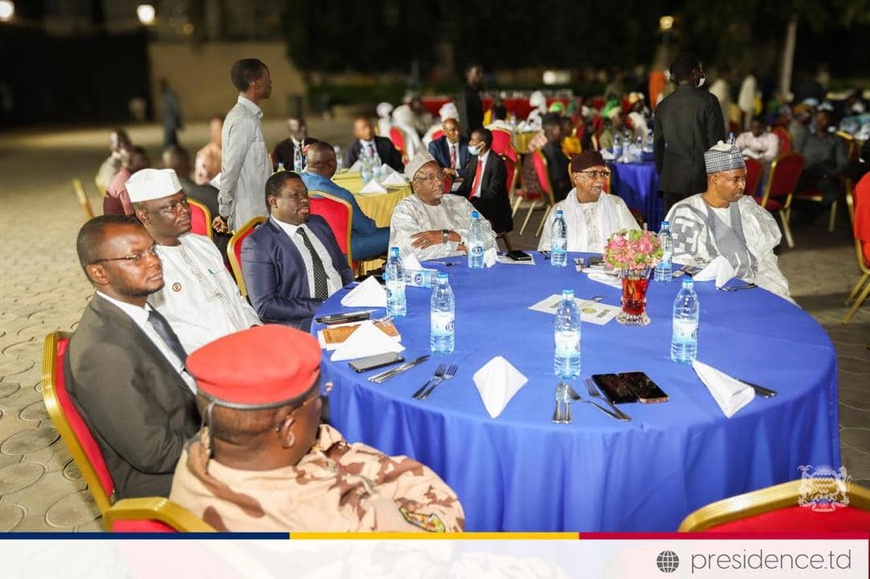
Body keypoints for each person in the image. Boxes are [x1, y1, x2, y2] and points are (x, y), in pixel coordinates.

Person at [170, 324, 466, 532]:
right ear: (287, 429)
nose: (322, 401)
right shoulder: (334, 520)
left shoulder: (201, 449)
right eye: (317, 396)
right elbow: (442, 521)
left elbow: (320, 446)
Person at [65, 215, 199, 499]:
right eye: (135, 257)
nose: (153, 261)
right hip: (168, 482)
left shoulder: (138, 309)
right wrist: (232, 445)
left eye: (152, 250)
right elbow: (154, 453)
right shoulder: (102, 353)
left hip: (191, 432)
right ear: (99, 274)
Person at [127, 168, 260, 352]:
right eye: (171, 206)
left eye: (183, 201)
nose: (184, 210)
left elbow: (236, 298)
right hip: (204, 363)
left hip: (249, 344)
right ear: (144, 215)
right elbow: (159, 338)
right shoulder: (144, 268)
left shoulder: (204, 245)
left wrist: (254, 327)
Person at [666, 142, 791, 300]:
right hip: (708, 293)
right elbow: (678, 266)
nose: (742, 185)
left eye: (744, 178)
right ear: (714, 180)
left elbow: (765, 257)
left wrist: (772, 288)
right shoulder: (686, 213)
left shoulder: (747, 208)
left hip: (752, 285)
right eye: (735, 179)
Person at [241, 172, 354, 330]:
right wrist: (323, 305)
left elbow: (342, 268)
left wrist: (352, 296)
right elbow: (265, 305)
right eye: (295, 195)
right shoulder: (258, 244)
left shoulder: (318, 224)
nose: (305, 200)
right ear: (274, 202)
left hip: (345, 308)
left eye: (305, 193)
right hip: (306, 322)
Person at [389, 151, 495, 260]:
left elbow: (489, 236)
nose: (439, 182)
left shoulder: (460, 202)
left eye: (440, 175)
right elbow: (411, 250)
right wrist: (459, 247)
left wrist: (447, 235)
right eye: (431, 178)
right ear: (416, 185)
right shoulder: (405, 209)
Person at [654, 53, 726, 213]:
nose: (702, 74)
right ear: (694, 73)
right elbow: (718, 144)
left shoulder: (663, 106)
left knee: (673, 230)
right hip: (699, 181)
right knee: (700, 232)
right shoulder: (709, 101)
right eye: (700, 70)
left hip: (671, 180)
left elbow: (657, 148)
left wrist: (665, 172)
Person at [300, 141, 390, 260]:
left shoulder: (295, 184)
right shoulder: (342, 196)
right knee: (397, 233)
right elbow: (367, 229)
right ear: (332, 164)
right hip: (339, 251)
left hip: (305, 249)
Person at [213, 58, 273, 234]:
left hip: (256, 213)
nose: (270, 82)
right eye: (267, 77)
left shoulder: (248, 116)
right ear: (254, 83)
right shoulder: (243, 120)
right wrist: (224, 213)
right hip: (251, 216)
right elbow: (230, 169)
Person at [538, 151, 639, 253]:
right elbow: (545, 251)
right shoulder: (560, 211)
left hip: (610, 268)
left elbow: (637, 241)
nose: (600, 180)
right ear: (576, 178)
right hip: (571, 267)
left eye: (603, 174)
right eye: (593, 174)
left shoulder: (616, 204)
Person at [161, 144, 230, 258]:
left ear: (163, 166)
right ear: (190, 165)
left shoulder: (158, 200)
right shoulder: (209, 193)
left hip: (178, 254)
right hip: (216, 254)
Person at [461, 128, 513, 235]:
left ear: (482, 144)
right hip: (474, 200)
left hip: (491, 206)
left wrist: (470, 205)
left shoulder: (497, 163)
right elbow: (466, 184)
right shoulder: (475, 158)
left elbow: (492, 193)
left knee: (463, 213)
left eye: (472, 140)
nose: (469, 143)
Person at [796, 110, 848, 207]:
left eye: (823, 119)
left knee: (829, 188)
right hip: (806, 175)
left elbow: (842, 164)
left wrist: (831, 173)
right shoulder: (807, 138)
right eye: (817, 119)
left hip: (825, 177)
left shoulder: (836, 140)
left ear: (829, 122)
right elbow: (796, 158)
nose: (819, 122)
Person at [103, 145, 150, 216]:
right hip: (121, 225)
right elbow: (131, 216)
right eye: (143, 159)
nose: (148, 162)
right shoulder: (125, 184)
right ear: (130, 162)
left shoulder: (131, 177)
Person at [541, 113, 572, 202]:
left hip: (554, 189)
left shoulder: (548, 146)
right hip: (562, 193)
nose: (562, 132)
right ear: (552, 130)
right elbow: (558, 177)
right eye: (560, 129)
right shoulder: (553, 151)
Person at [428, 117, 470, 182]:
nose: (457, 132)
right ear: (445, 132)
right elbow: (433, 169)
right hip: (444, 182)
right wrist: (450, 176)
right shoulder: (435, 146)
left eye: (458, 128)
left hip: (464, 182)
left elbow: (471, 171)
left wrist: (452, 171)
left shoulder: (468, 144)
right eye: (453, 130)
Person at [96, 128, 131, 193]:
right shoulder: (110, 167)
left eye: (125, 141)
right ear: (111, 146)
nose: (123, 144)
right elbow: (114, 192)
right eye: (119, 142)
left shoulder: (133, 160)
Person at [456, 64, 484, 139]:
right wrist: (468, 140)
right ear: (468, 74)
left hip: (478, 135)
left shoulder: (476, 92)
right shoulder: (465, 94)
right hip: (471, 138)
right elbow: (464, 119)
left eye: (481, 73)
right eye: (477, 73)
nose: (481, 75)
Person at [194, 115, 223, 185]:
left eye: (219, 129)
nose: (216, 134)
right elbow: (200, 182)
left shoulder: (235, 150)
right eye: (214, 130)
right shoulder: (204, 155)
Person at [159, 78, 183, 148]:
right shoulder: (165, 96)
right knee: (173, 142)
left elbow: (176, 109)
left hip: (171, 123)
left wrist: (179, 121)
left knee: (169, 143)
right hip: (168, 123)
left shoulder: (170, 96)